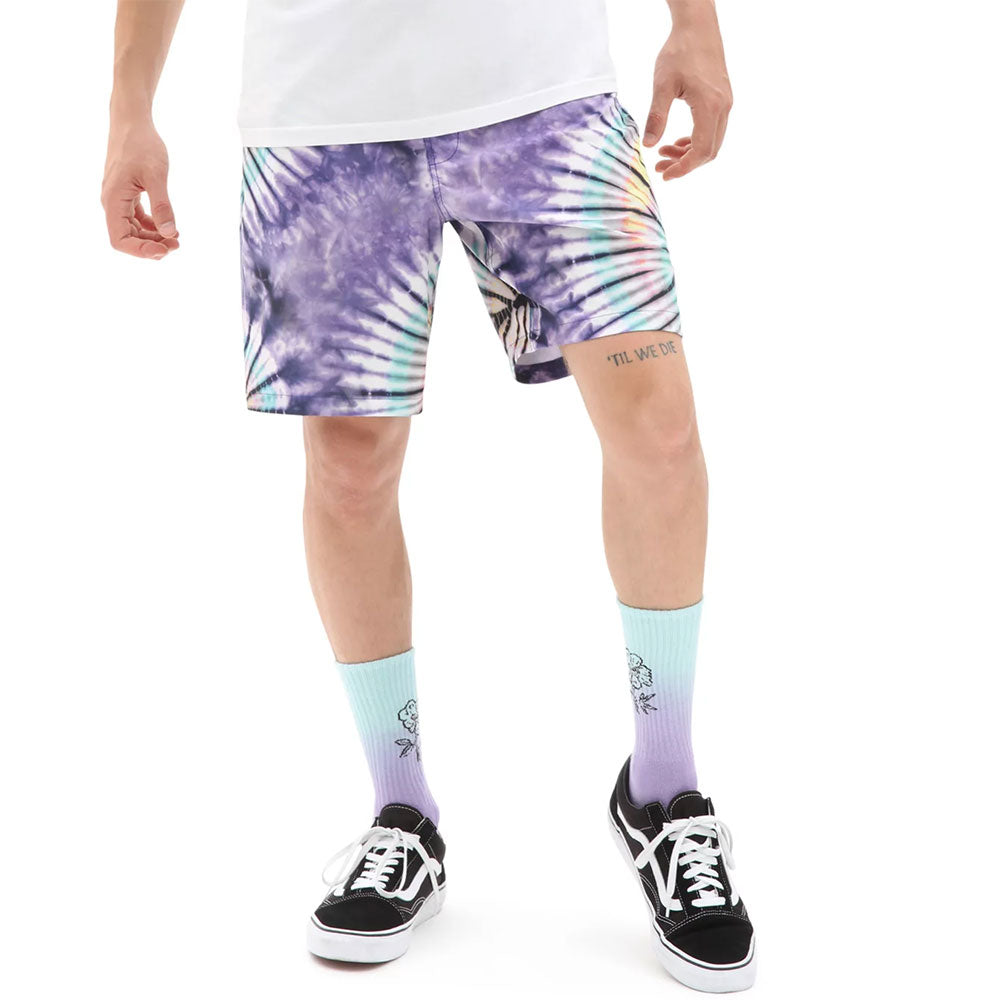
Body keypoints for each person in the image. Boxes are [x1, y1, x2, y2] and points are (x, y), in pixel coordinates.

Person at [102, 0, 754, 991]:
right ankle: (401, 812)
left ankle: (663, 790)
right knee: (349, 469)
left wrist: (693, 22)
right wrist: (129, 110)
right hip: (323, 115)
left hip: (546, 90)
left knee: (658, 432)